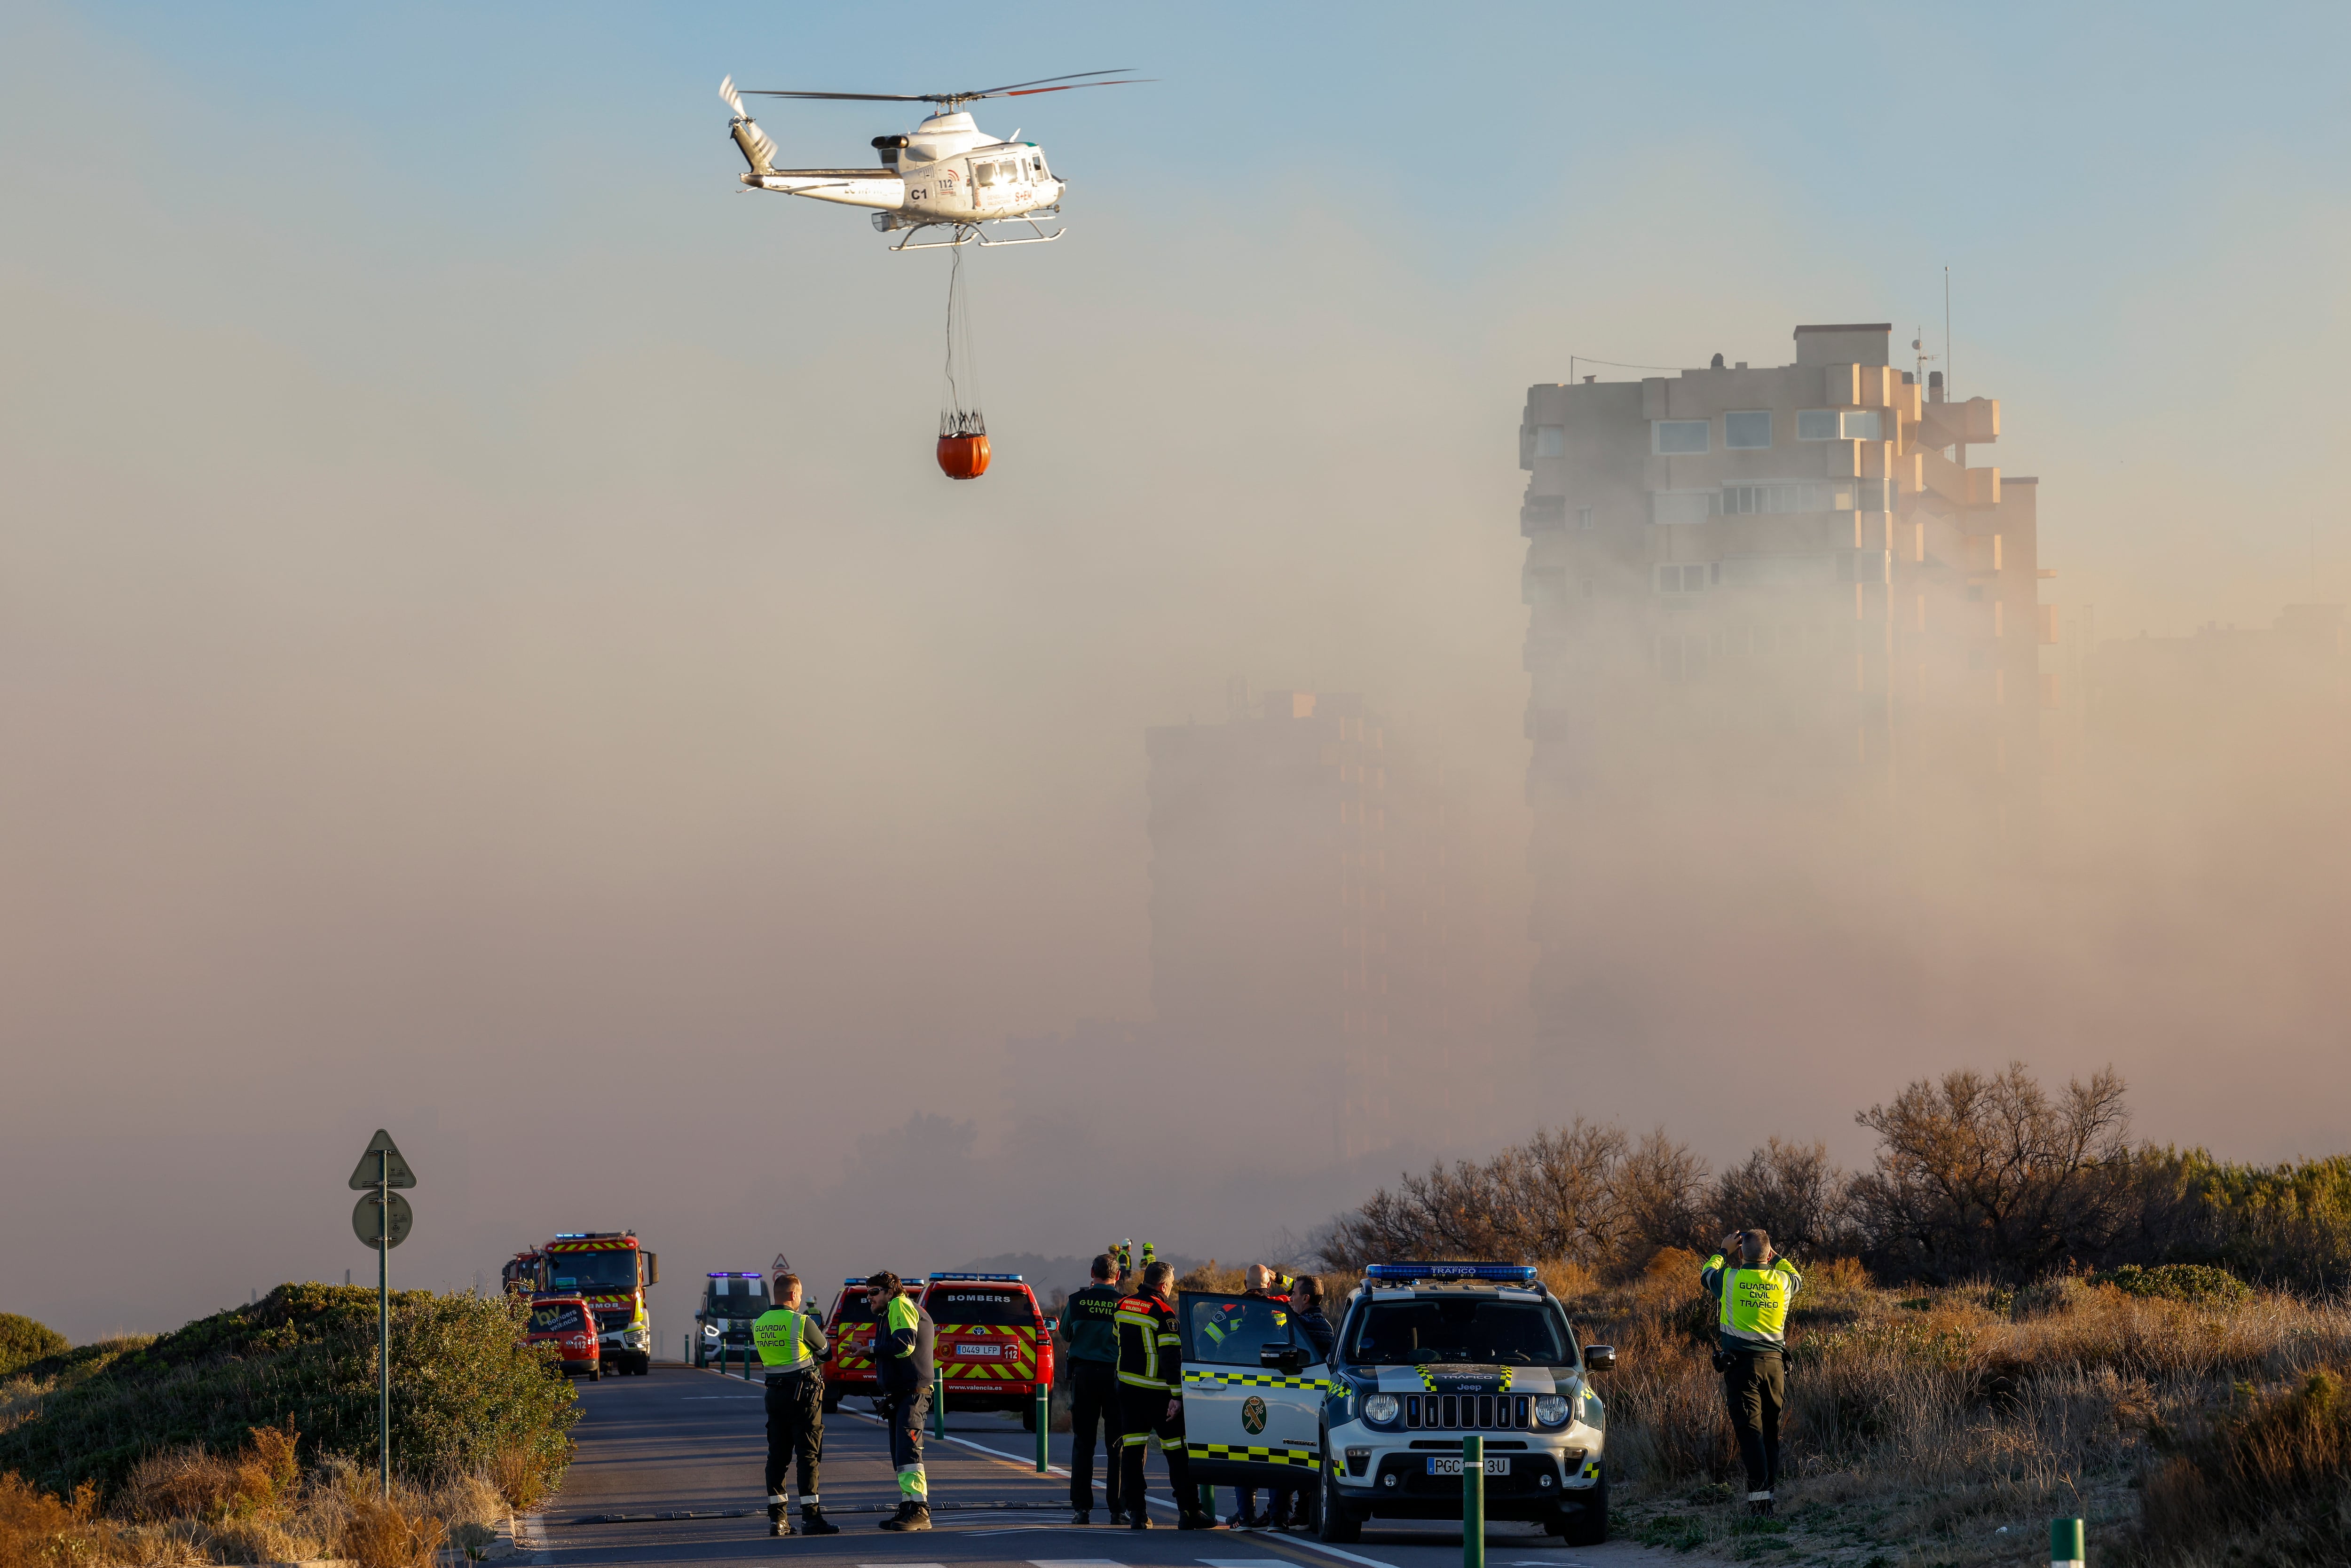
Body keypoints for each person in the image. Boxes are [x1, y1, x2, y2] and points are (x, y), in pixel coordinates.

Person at [1700, 1230, 1802, 1516]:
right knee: (1770, 1432)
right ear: (1770, 1256)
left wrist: (1723, 1251)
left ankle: (1759, 1506)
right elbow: (1797, 1277)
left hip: (1742, 1367)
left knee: (1750, 1433)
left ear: (1741, 1254)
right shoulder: (1783, 1281)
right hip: (1774, 1367)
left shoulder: (1731, 1279)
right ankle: (1767, 1497)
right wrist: (1775, 1255)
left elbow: (1707, 1274)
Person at [1116, 1259, 1213, 1531]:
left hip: (1128, 1391)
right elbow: (1171, 1359)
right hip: (1158, 1395)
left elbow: (1118, 1341)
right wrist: (1177, 1396)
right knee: (1177, 1454)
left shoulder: (1123, 1306)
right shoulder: (1164, 1313)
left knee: (1133, 1455)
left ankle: (1137, 1513)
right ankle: (1189, 1512)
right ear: (1164, 1285)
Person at [751, 1273, 839, 1536]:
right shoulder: (801, 1322)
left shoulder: (759, 1323)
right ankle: (811, 1519)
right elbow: (826, 1353)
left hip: (774, 1395)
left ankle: (778, 1520)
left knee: (777, 1457)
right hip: (803, 1397)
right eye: (800, 1295)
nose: (801, 1300)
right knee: (808, 1456)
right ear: (792, 1295)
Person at [864, 1270, 936, 1531]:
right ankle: (908, 1506)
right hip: (902, 1394)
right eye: (868, 1293)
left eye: (874, 1292)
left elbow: (905, 1345)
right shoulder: (891, 1311)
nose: (869, 1298)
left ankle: (920, 1510)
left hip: (912, 1393)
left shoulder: (900, 1306)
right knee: (901, 1455)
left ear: (890, 1291)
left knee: (908, 1452)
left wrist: (871, 1350)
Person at [1063, 1253, 1128, 1525]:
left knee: (1083, 1444)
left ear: (1092, 1272)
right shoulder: (1125, 1304)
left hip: (1085, 1377)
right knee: (1118, 1445)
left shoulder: (1076, 1302)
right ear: (1119, 1277)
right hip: (1116, 1379)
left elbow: (1066, 1334)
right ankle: (1118, 1509)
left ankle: (1082, 1509)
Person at [1229, 1265, 1294, 1530]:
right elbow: (1307, 1292)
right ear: (1269, 1285)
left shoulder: (1230, 1308)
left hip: (1239, 1393)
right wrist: (1282, 1279)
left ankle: (1245, 1517)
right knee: (1279, 1454)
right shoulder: (1281, 1306)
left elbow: (1206, 1341)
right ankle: (1277, 1517)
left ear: (1244, 1283)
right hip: (1276, 1393)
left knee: (1242, 1453)